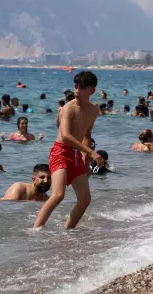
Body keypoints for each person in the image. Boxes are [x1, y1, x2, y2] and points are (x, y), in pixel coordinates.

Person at [35, 71, 103, 229]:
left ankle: (68, 231)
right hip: (60, 152)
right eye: (76, 86)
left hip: (76, 154)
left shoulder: (94, 111)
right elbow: (65, 136)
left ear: (92, 90)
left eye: (82, 87)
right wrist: (92, 152)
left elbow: (87, 134)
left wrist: (85, 159)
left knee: (85, 200)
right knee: (58, 195)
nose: (77, 90)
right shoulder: (68, 108)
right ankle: (35, 230)